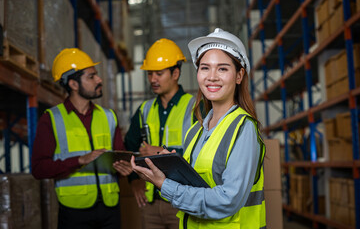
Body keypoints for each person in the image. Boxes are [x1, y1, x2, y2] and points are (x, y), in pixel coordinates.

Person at [131, 28, 266, 229]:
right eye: (205, 68)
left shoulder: (243, 128)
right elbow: (198, 184)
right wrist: (170, 169)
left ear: (239, 76)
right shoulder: (195, 132)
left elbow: (228, 200)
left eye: (222, 69)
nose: (212, 77)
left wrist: (165, 185)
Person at [31, 48, 133, 229]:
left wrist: (124, 167)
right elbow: (39, 169)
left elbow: (120, 156)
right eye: (91, 77)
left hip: (110, 208)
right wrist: (80, 160)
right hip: (74, 211)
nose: (99, 80)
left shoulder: (109, 116)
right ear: (73, 84)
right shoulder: (52, 118)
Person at [124, 38, 199, 229]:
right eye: (150, 74)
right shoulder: (144, 110)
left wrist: (162, 152)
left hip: (183, 202)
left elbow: (205, 152)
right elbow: (129, 148)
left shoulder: (195, 107)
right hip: (151, 203)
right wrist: (133, 181)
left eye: (159, 73)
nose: (152, 79)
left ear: (175, 73)